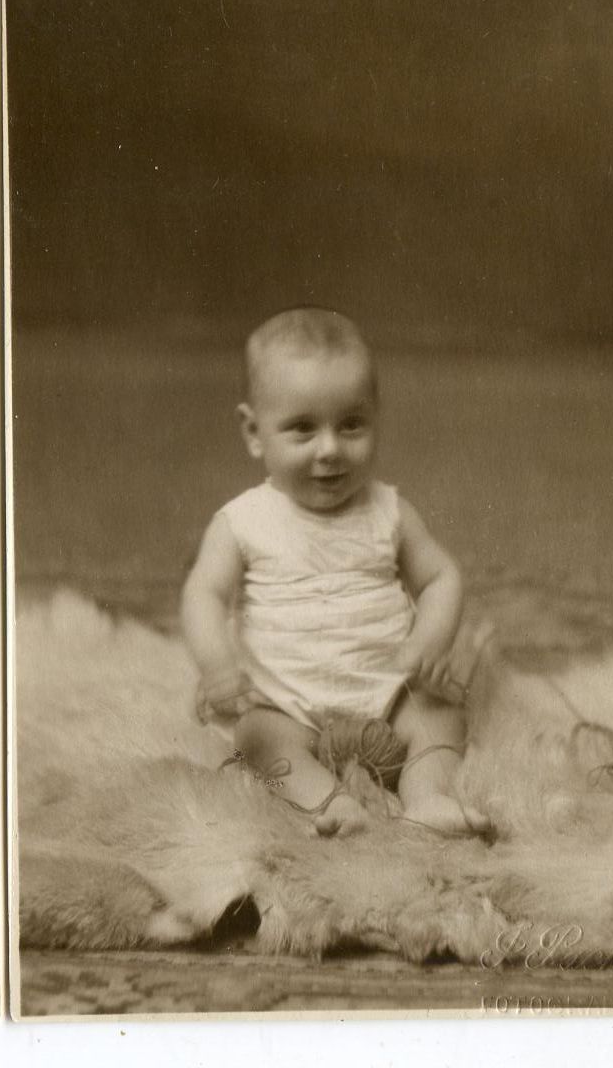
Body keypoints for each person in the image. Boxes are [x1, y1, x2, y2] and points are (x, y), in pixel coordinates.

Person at [180, 306, 491, 839]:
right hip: (287, 705)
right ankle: (330, 803)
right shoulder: (243, 521)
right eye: (302, 429)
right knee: (255, 739)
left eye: (351, 424)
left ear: (375, 417)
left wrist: (429, 642)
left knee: (442, 715)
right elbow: (204, 594)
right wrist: (217, 666)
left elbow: (442, 577)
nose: (330, 449)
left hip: (389, 698)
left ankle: (429, 797)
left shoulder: (389, 509)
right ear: (255, 432)